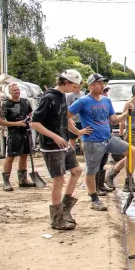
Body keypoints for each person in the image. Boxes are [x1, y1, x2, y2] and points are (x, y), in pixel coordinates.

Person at [69, 73, 135, 211]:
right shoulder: (83, 101)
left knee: (133, 151)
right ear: (91, 85)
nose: (102, 86)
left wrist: (126, 114)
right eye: (99, 83)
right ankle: (94, 199)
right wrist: (78, 132)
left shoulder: (106, 101)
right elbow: (65, 116)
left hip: (108, 139)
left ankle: (128, 182)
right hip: (92, 142)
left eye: (103, 83)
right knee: (91, 171)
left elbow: (113, 120)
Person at [30, 70, 86, 230]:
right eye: (74, 86)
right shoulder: (49, 97)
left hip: (64, 143)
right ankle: (57, 218)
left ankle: (65, 209)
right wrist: (55, 136)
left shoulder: (62, 96)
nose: (74, 89)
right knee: (59, 179)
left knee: (76, 171)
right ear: (66, 82)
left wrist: (78, 132)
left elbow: (64, 118)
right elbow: (35, 123)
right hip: (51, 145)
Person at [0, 83, 37, 191]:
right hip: (14, 134)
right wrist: (16, 123)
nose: (17, 91)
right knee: (11, 157)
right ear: (10, 92)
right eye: (14, 90)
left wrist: (28, 119)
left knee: (24, 155)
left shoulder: (25, 102)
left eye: (18, 89)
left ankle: (23, 180)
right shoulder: (6, 104)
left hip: (25, 132)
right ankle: (6, 182)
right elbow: (0, 122)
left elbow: (30, 114)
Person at [66, 83, 85, 151]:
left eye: (79, 87)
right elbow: (67, 108)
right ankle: (72, 156)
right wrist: (70, 119)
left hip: (82, 120)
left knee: (83, 137)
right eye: (75, 87)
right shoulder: (70, 96)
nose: (77, 89)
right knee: (72, 139)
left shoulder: (83, 94)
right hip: (73, 121)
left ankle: (83, 153)